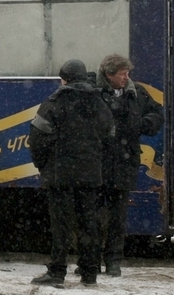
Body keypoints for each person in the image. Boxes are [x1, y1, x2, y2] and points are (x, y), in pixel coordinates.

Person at [29, 59, 114, 286]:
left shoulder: (55, 102)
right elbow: (110, 137)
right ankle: (89, 272)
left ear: (65, 79)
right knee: (89, 223)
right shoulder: (99, 103)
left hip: (60, 175)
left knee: (61, 226)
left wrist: (43, 165)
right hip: (90, 175)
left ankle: (57, 271)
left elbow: (37, 138)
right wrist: (96, 163)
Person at [96, 54, 164, 277]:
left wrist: (145, 124)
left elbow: (157, 113)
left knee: (118, 217)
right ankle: (91, 260)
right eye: (122, 74)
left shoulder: (137, 93)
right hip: (98, 162)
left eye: (127, 73)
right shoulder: (94, 93)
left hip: (125, 163)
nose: (126, 78)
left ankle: (113, 261)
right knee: (93, 216)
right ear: (109, 75)